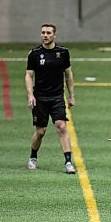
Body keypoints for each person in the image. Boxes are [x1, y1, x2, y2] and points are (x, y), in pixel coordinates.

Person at [25, 23, 76, 174]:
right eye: (43, 33)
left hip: (57, 97)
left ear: (54, 35)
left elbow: (68, 75)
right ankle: (33, 157)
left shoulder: (63, 52)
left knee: (61, 126)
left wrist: (71, 96)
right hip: (40, 97)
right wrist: (30, 95)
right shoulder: (34, 53)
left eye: (48, 33)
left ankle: (68, 162)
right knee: (41, 131)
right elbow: (29, 75)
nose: (45, 35)